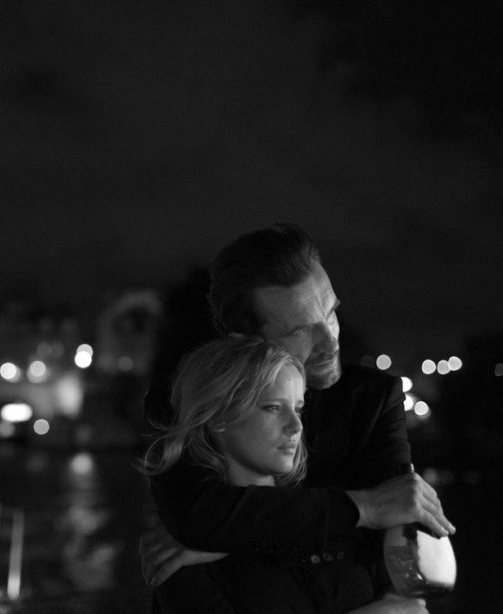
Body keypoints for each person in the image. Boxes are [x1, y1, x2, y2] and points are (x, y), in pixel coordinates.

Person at [140, 223, 455, 612]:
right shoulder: (187, 397)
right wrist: (366, 509)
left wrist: (235, 539)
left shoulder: (373, 398)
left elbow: (403, 526)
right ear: (246, 341)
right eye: (301, 330)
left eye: (331, 312)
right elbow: (197, 516)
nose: (330, 341)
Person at [142, 335, 427, 613]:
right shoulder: (178, 552)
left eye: (298, 409)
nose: (296, 426)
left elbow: (415, 592)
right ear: (218, 416)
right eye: (273, 407)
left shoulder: (338, 507)